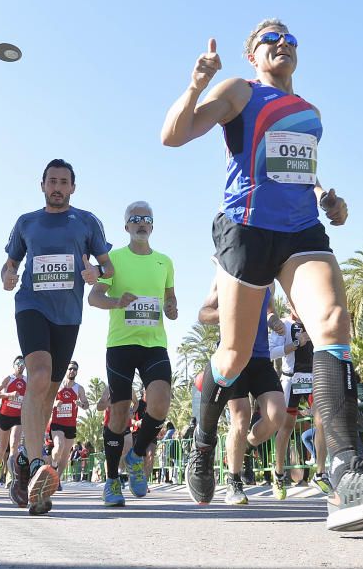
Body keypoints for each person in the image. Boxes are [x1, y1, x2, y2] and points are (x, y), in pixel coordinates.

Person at [162, 19, 363, 531]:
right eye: (270, 39)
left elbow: (300, 170)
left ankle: (348, 473)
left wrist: (328, 197)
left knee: (332, 320)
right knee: (233, 355)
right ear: (252, 54)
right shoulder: (240, 90)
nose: (282, 44)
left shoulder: (310, 113)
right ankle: (203, 439)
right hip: (247, 227)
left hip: (302, 229)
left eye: (290, 38)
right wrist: (195, 84)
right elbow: (173, 136)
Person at [2, 158, 113, 515]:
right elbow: (11, 264)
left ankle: (23, 459)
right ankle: (37, 465)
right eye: (52, 181)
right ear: (42, 185)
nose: (58, 187)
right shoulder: (26, 223)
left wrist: (97, 271)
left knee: (47, 393)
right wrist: (6, 276)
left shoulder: (86, 221)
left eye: (64, 182)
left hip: (68, 317)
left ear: (73, 188)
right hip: (31, 306)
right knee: (37, 375)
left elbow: (108, 266)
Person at [89, 201, 177, 506]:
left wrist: (171, 307)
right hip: (121, 344)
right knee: (119, 412)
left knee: (161, 402)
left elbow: (170, 298)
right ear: (126, 226)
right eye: (135, 219)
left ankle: (136, 455)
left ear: (152, 225)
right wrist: (116, 302)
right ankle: (112, 480)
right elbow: (94, 297)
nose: (141, 223)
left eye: (146, 219)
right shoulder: (113, 259)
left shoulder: (164, 261)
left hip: (154, 343)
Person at [198, 274, 287, 505]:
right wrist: (226, 314)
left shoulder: (268, 279)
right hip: (234, 355)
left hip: (260, 358)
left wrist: (273, 320)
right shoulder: (226, 275)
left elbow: (268, 310)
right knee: (241, 417)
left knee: (277, 415)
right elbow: (204, 314)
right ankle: (234, 482)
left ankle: (245, 443)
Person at [268, 312, 325, 499]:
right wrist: (295, 344)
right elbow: (270, 352)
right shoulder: (283, 324)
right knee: (286, 427)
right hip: (291, 380)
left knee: (321, 421)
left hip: (313, 378)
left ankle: (321, 473)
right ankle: (278, 474)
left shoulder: (314, 318)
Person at [49, 360, 90, 488]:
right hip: (57, 423)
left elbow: (86, 405)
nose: (73, 371)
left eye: (75, 369)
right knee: (58, 446)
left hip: (70, 425)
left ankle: (56, 480)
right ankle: (53, 465)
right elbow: (46, 401)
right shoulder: (57, 386)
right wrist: (55, 404)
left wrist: (81, 404)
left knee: (66, 454)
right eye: (71, 368)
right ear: (66, 370)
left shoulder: (79, 388)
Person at [0, 356, 28, 486]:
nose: (20, 365)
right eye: (18, 363)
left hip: (18, 417)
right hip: (5, 415)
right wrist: (8, 394)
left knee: (14, 444)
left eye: (23, 364)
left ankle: (10, 475)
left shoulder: (27, 380)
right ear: (13, 365)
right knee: (3, 447)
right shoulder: (9, 379)